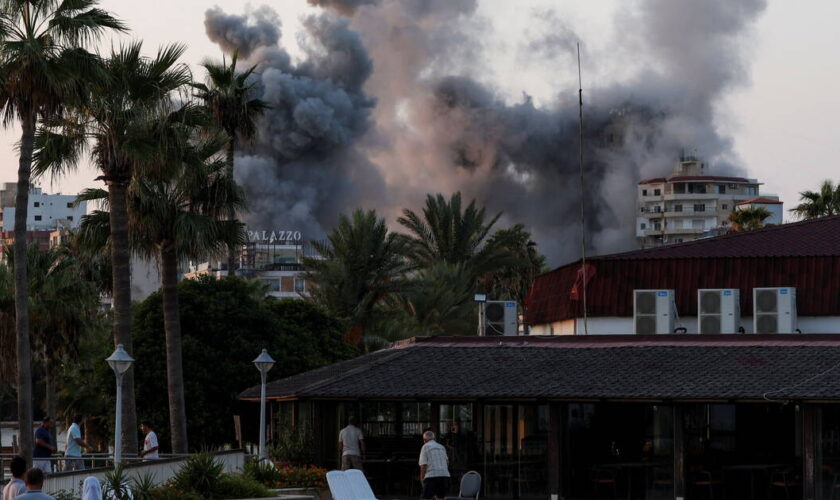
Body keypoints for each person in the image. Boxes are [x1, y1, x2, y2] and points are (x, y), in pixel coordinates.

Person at [419, 430, 450, 500]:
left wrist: (422, 480)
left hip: (431, 477)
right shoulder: (442, 447)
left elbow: (423, 466)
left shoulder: (425, 447)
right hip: (445, 476)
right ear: (434, 439)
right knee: (440, 498)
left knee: (426, 498)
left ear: (424, 440)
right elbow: (447, 462)